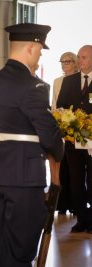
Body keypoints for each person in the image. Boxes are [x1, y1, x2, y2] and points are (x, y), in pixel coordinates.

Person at [0, 23, 64, 266]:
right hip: (24, 176)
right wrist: (59, 147)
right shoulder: (33, 85)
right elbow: (49, 136)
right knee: (23, 245)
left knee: (3, 242)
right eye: (39, 51)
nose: (39, 56)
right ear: (31, 47)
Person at [57, 45, 92, 233]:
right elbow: (61, 105)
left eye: (84, 57)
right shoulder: (69, 81)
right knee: (76, 181)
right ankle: (82, 219)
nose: (80, 60)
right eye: (79, 57)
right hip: (73, 141)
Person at [52, 52, 78, 215]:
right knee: (62, 166)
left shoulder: (81, 80)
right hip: (62, 127)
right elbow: (55, 104)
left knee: (75, 168)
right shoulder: (57, 81)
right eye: (62, 61)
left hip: (78, 128)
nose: (64, 64)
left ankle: (76, 202)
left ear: (75, 63)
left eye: (67, 61)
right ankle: (62, 203)